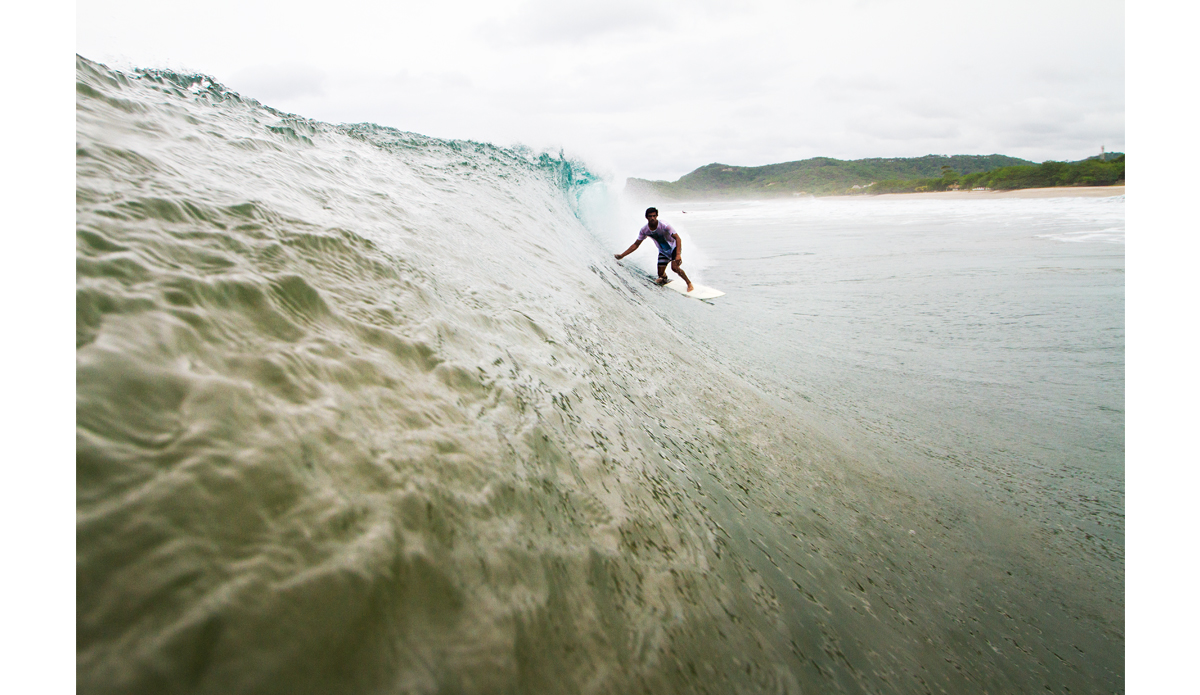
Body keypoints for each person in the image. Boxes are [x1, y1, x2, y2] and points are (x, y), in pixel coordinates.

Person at [614, 207, 694, 292]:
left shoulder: (664, 225)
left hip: (673, 247)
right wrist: (622, 255)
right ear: (646, 217)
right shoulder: (644, 230)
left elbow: (678, 238)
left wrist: (678, 255)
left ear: (657, 216)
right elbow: (636, 244)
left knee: (674, 267)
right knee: (660, 274)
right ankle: (664, 278)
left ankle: (689, 283)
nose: (652, 218)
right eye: (650, 216)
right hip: (663, 251)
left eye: (654, 216)